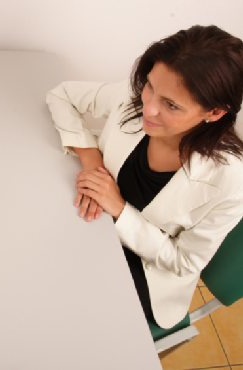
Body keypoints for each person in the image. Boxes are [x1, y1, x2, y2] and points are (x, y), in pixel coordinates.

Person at [46, 25, 243, 329]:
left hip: (143, 269)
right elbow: (62, 96)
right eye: (150, 86)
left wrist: (120, 209)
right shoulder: (138, 98)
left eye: (172, 105)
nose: (148, 108)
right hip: (90, 225)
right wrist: (91, 160)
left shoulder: (229, 182)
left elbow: (184, 262)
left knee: (60, 315)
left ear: (214, 113)